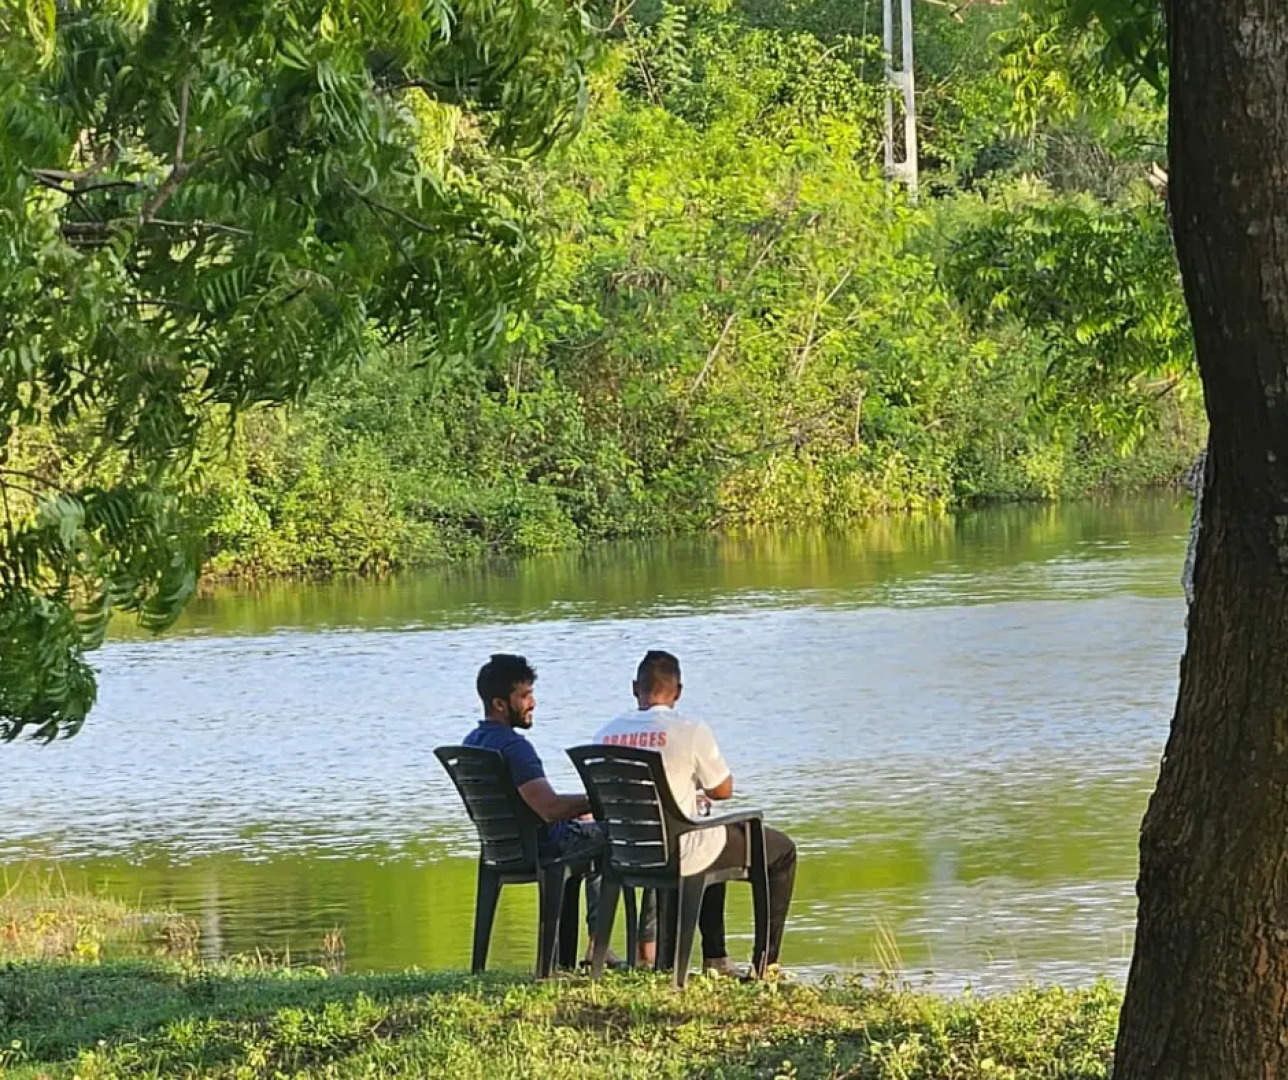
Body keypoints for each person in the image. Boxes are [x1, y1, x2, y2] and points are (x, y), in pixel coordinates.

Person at [593, 650, 797, 974]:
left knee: (710, 837)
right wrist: (695, 783)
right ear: (678, 691)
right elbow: (722, 790)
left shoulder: (604, 734)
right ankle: (765, 964)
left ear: (635, 688)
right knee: (779, 850)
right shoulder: (689, 730)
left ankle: (712, 957)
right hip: (679, 850)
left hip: (626, 852)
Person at [463, 653, 612, 962]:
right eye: (525, 696)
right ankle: (599, 946)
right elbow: (549, 809)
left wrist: (580, 811)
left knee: (587, 825)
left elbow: (537, 806)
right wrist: (601, 800)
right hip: (544, 847)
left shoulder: (473, 742)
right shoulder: (515, 747)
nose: (533, 703)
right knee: (615, 835)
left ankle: (565, 957)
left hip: (502, 848)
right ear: (499, 704)